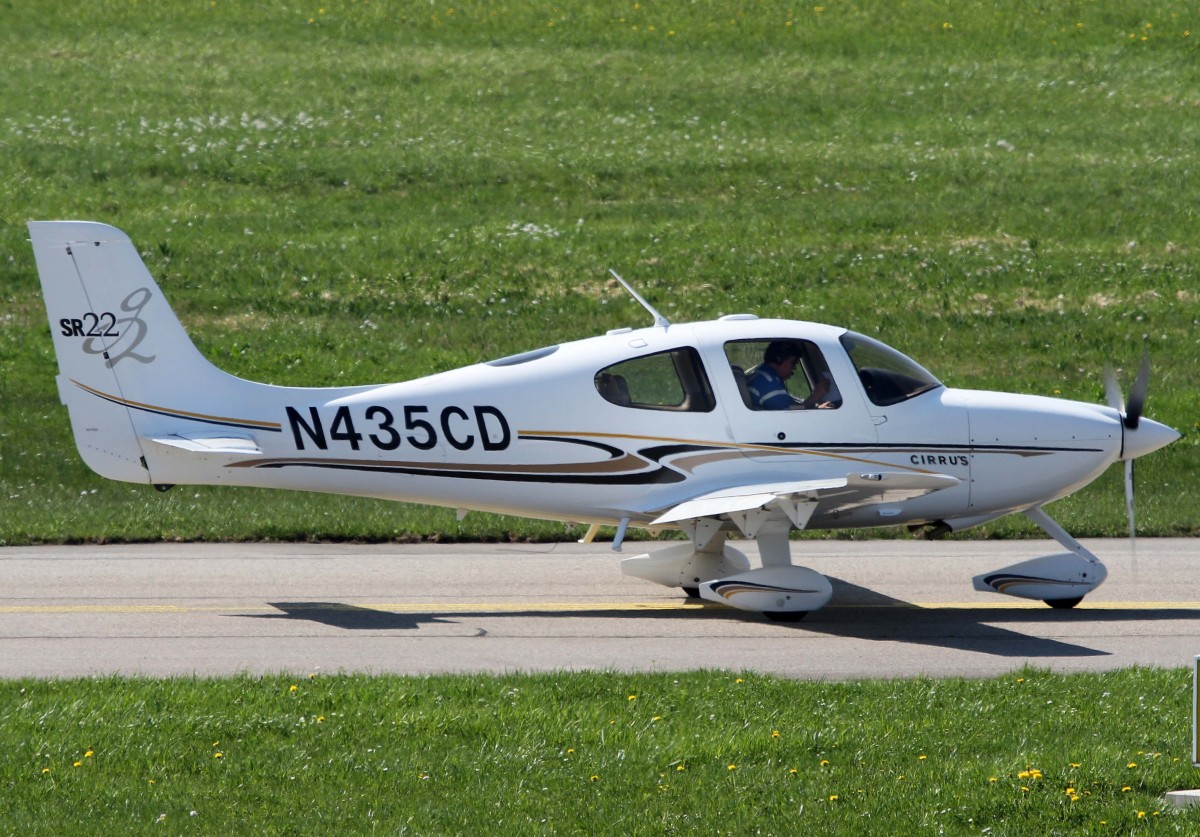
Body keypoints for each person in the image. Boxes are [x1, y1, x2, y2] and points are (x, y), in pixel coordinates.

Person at [746, 340, 832, 410]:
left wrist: (816, 406)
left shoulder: (762, 374)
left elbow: (789, 407)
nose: (794, 368)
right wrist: (815, 396)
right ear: (779, 359)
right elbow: (789, 416)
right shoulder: (768, 383)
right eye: (793, 363)